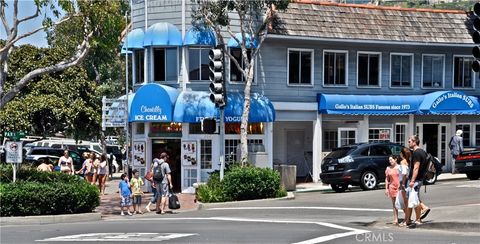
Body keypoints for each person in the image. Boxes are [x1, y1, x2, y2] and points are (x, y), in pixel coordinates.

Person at [405, 135, 431, 228]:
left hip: (415, 180)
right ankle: (408, 220)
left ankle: (419, 216)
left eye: (409, 141)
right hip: (419, 179)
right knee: (413, 198)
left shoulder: (417, 153)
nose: (408, 143)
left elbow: (416, 168)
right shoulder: (423, 152)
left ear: (414, 142)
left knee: (414, 199)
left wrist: (412, 180)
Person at [385, 155, 400, 225]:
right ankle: (396, 219)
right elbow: (387, 179)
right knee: (394, 205)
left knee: (402, 203)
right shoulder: (388, 168)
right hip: (392, 187)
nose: (390, 161)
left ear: (396, 159)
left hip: (400, 187)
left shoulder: (399, 167)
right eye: (389, 160)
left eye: (391, 160)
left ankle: (407, 218)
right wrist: (386, 189)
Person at [398, 147, 411, 226]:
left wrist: (402, 183)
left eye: (400, 153)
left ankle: (406, 220)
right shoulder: (409, 161)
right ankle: (408, 218)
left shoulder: (403, 162)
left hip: (404, 182)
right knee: (407, 202)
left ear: (402, 154)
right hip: (408, 182)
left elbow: (404, 173)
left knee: (406, 203)